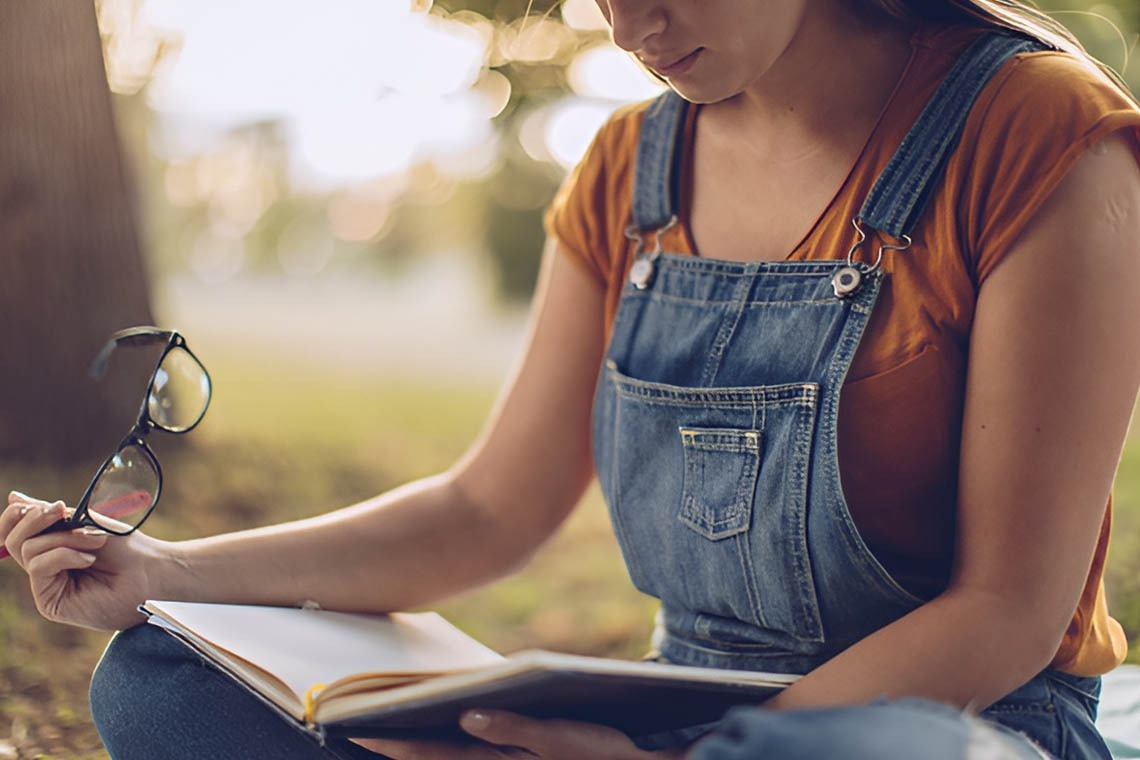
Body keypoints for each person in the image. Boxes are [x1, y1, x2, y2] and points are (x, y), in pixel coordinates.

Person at [4, 0, 1140, 757]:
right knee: (158, 677)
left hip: (954, 725)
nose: (634, 24)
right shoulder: (627, 170)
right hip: (669, 711)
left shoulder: (1038, 131)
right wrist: (169, 569)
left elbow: (1006, 612)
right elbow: (486, 509)